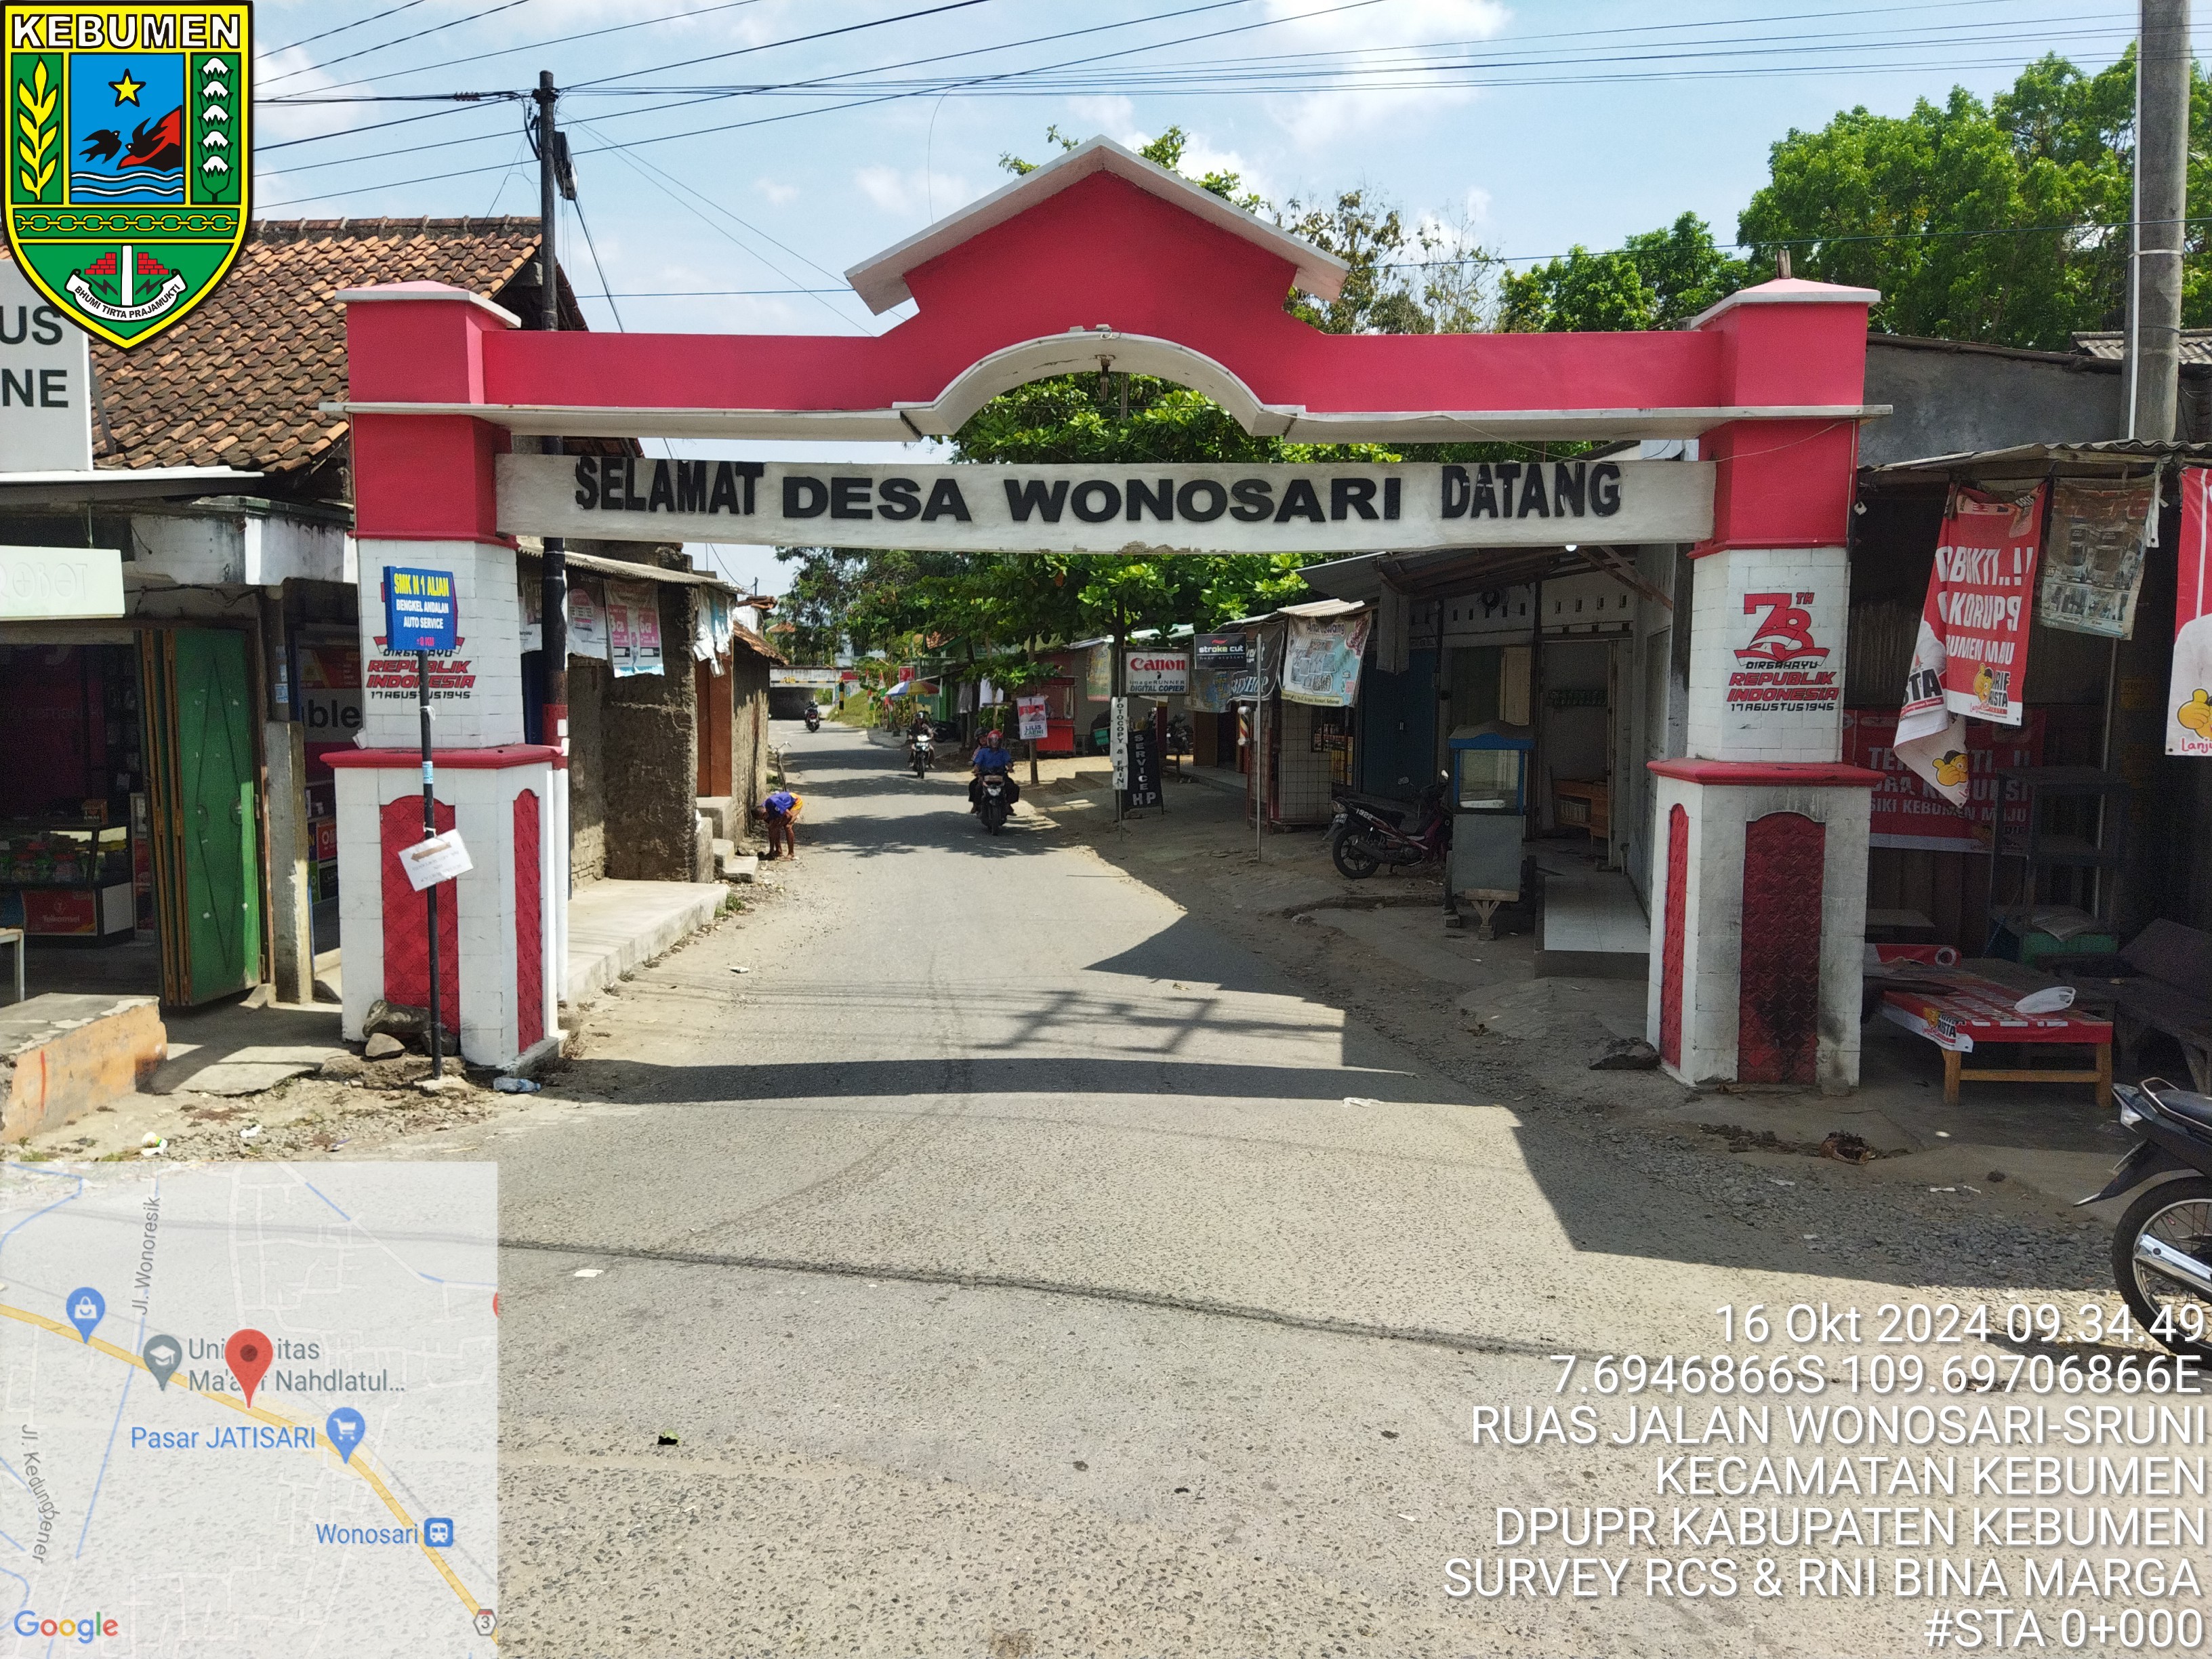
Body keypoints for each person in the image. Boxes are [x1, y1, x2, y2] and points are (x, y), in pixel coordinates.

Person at [968, 727, 1019, 811]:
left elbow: (1008, 762)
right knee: (975, 787)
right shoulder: (981, 752)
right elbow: (977, 764)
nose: (994, 743)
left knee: (1013, 787)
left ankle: (1007, 804)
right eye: (992, 741)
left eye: (996, 741)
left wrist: (1010, 768)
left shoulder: (1003, 752)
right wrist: (976, 770)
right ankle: (976, 805)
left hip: (1000, 775)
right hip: (985, 775)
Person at [759, 787, 802, 860]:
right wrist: (771, 851)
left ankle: (791, 853)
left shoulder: (774, 803)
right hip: (784, 806)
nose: (765, 818)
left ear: (766, 811)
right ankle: (778, 851)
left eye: (765, 816)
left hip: (796, 801)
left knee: (788, 826)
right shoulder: (763, 811)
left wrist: (779, 826)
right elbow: (772, 829)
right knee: (773, 827)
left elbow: (789, 816)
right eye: (762, 818)